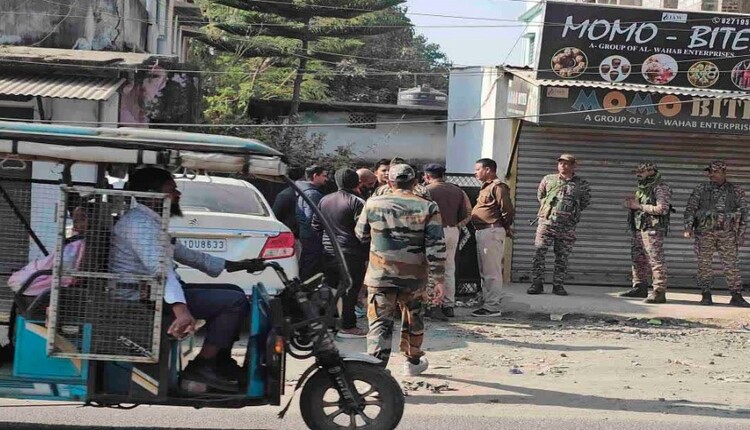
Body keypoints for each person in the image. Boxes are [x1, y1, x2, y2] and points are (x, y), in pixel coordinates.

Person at [110, 167, 258, 392]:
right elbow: (161, 270)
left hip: (154, 291)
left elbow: (184, 254)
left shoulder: (150, 221)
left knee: (234, 291)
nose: (178, 195)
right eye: (172, 190)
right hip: (140, 298)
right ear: (152, 194)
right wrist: (181, 311)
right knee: (233, 302)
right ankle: (203, 365)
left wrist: (235, 265)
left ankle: (220, 360)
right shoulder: (139, 225)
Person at [355, 164, 446, 376]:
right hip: (414, 278)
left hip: (380, 275)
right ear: (414, 182)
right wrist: (438, 279)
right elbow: (436, 246)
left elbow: (361, 235)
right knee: (413, 319)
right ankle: (412, 362)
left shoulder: (372, 203)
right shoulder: (428, 206)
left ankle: (375, 369)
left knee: (379, 322)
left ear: (389, 182)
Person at [683, 160, 750, 307]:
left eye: (715, 172)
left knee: (731, 265)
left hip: (728, 234)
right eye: (710, 172)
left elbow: (745, 213)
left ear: (724, 172)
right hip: (705, 233)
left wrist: (741, 233)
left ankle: (736, 295)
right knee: (704, 264)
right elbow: (691, 209)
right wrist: (688, 227)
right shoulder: (701, 189)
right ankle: (706, 294)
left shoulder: (736, 191)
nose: (711, 175)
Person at [312, 168, 369, 338]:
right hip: (351, 253)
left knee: (331, 288)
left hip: (328, 251)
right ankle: (348, 326)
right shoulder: (358, 202)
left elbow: (316, 225)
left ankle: (329, 324)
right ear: (357, 182)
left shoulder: (324, 200)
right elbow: (363, 231)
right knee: (350, 289)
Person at [528, 154, 591, 296]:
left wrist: (569, 213)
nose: (562, 165)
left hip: (567, 226)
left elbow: (584, 202)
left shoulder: (581, 184)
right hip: (546, 223)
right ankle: (536, 284)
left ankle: (558, 285)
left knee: (562, 257)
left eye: (566, 163)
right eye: (561, 163)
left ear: (574, 166)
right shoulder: (548, 179)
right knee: (539, 253)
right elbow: (541, 196)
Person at [424, 163, 472, 319]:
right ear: (443, 175)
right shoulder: (457, 190)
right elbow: (468, 213)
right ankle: (449, 305)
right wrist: (457, 226)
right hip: (452, 230)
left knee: (432, 268)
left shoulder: (425, 191)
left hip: (433, 231)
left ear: (427, 176)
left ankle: (433, 304)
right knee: (449, 268)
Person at [620, 162, 672, 303]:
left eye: (641, 172)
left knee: (655, 260)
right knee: (638, 258)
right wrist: (631, 206)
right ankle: (640, 287)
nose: (638, 174)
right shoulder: (642, 188)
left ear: (651, 171)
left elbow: (662, 209)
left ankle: (659, 292)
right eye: (636, 172)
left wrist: (639, 206)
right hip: (639, 227)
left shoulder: (660, 187)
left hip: (652, 228)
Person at [471, 158, 515, 317]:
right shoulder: (486, 187)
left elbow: (507, 210)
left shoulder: (498, 187)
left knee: (492, 271)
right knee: (485, 271)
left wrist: (504, 226)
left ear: (488, 169)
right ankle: (487, 302)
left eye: (478, 169)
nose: (475, 173)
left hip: (491, 230)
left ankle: (492, 307)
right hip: (483, 231)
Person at [296, 165, 328, 280]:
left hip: (306, 233)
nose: (326, 179)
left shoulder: (303, 191)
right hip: (312, 236)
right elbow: (313, 218)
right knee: (310, 265)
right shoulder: (313, 194)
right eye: (323, 176)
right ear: (315, 176)